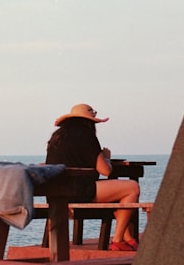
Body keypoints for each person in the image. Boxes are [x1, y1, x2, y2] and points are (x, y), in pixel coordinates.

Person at [45, 103, 140, 251]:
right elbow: (105, 171)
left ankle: (126, 237)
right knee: (132, 188)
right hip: (78, 192)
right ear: (89, 122)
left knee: (117, 194)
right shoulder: (86, 136)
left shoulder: (56, 138)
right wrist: (106, 157)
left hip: (56, 193)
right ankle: (117, 240)